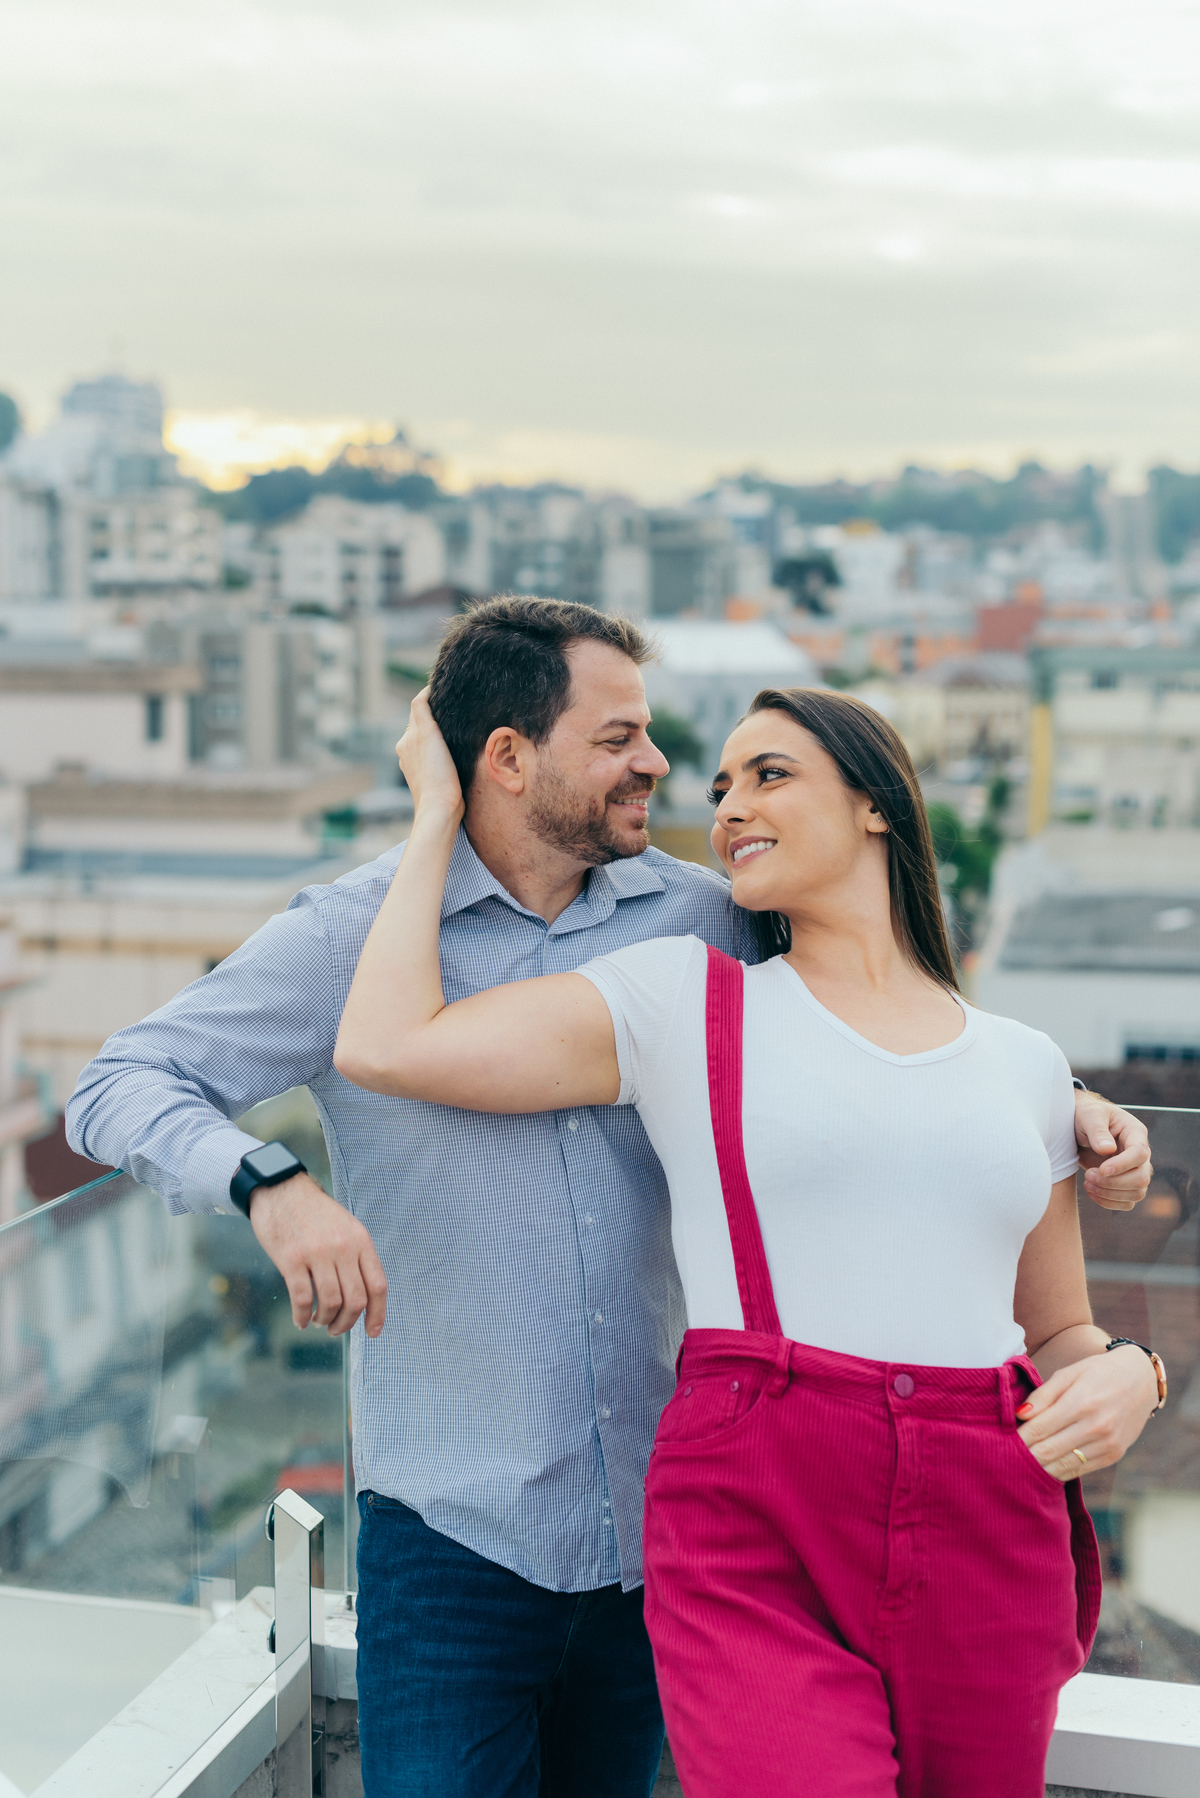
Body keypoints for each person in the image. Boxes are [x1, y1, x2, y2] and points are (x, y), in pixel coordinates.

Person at [67, 599, 1151, 1798]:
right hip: (458, 1530)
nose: (661, 765)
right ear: (509, 757)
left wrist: (1068, 1101)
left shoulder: (702, 918)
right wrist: (271, 1187)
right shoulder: (357, 941)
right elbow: (118, 1082)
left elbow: (883, 1032)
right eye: (621, 735)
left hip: (670, 1526)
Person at [334, 680, 1166, 1798]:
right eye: (721, 787)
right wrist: (436, 810)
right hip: (755, 1504)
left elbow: (1060, 1327)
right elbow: (387, 1043)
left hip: (989, 1517)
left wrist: (1131, 1376)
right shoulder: (684, 1001)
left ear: (879, 804)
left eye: (769, 774)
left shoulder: (1024, 1063)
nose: (727, 806)